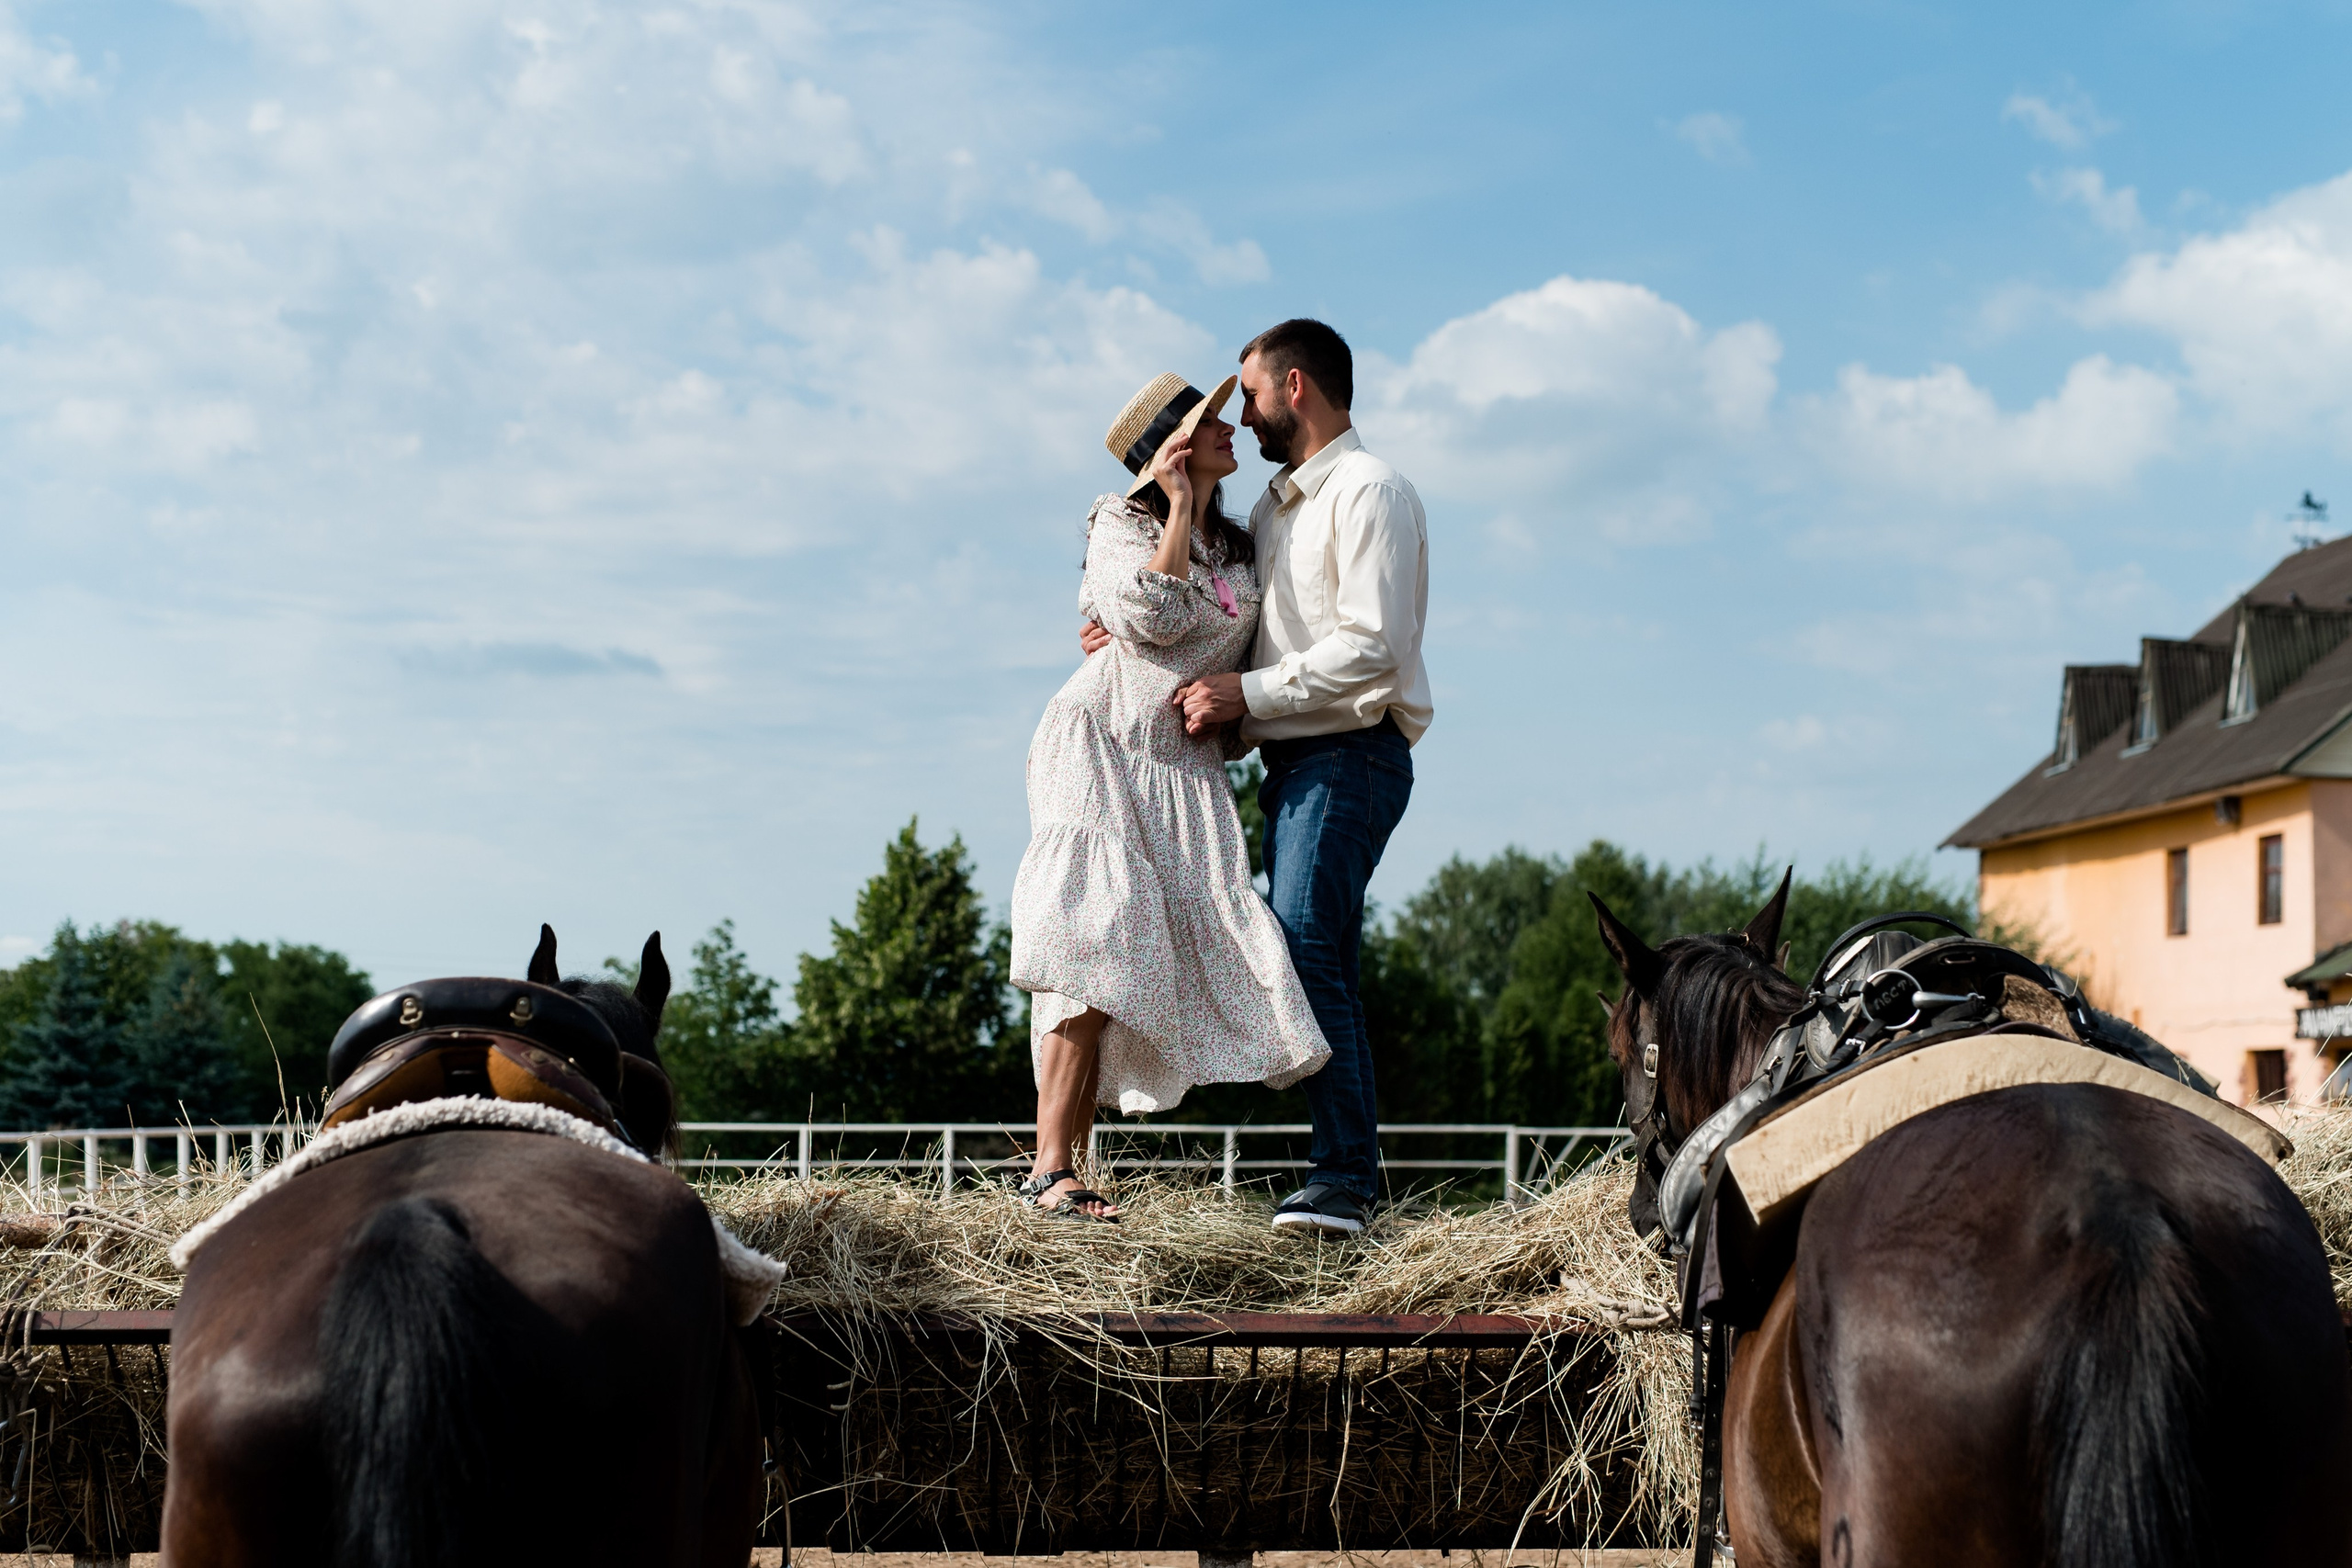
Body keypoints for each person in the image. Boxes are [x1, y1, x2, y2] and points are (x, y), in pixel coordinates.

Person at [1082, 320, 1430, 1235]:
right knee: (1309, 949)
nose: (1241, 411)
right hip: (1292, 757)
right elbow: (1227, 623)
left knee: (1309, 943)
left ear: (1297, 387)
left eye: (1249, 393)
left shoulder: (1371, 492)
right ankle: (1343, 1173)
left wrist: (1248, 692)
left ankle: (1345, 1178)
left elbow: (1376, 648)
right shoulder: (1275, 510)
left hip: (1350, 751)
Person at [1009, 372, 1332, 1222]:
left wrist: (1237, 695)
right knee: (1093, 932)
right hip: (1103, 740)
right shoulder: (1119, 522)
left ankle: (1062, 1172)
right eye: (1208, 423)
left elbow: (1250, 642)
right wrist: (1178, 507)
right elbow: (1147, 615)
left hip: (1182, 770)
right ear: (1171, 453)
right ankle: (1050, 1171)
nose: (1231, 428)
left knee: (1130, 955)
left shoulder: (1240, 549)